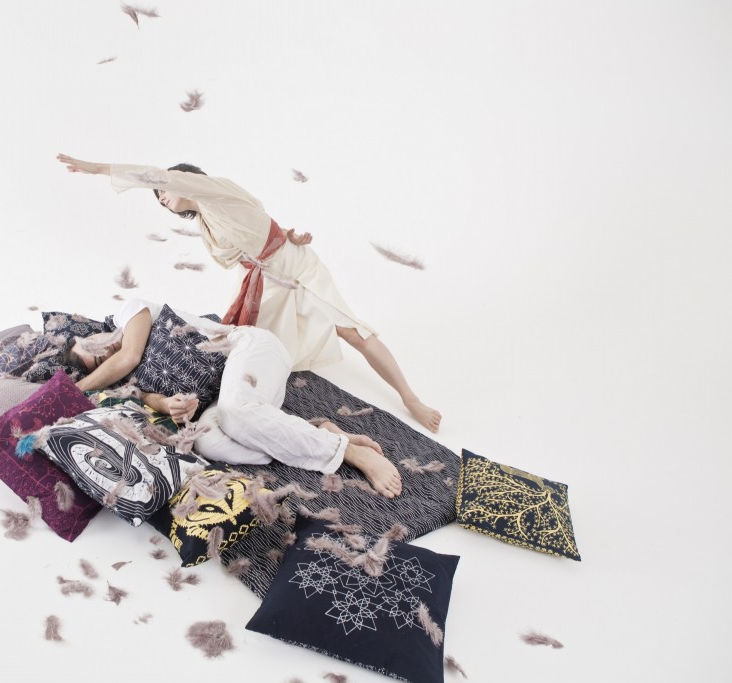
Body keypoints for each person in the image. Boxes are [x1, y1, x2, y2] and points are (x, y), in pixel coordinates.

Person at [55, 154, 442, 433]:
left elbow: (247, 221)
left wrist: (97, 168)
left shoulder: (216, 192)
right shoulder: (205, 220)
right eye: (158, 197)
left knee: (350, 331)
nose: (162, 197)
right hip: (264, 281)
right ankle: (243, 413)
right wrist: (286, 232)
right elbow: (256, 227)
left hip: (297, 269)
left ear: (186, 180)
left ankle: (410, 397)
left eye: (164, 189)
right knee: (246, 348)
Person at [64, 298, 403, 498]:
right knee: (208, 443)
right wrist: (173, 405)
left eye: (94, 343)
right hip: (233, 395)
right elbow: (154, 401)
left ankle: (349, 453)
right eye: (98, 357)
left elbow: (128, 356)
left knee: (234, 411)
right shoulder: (125, 382)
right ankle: (320, 433)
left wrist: (72, 392)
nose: (105, 348)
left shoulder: (128, 312)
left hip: (250, 351)